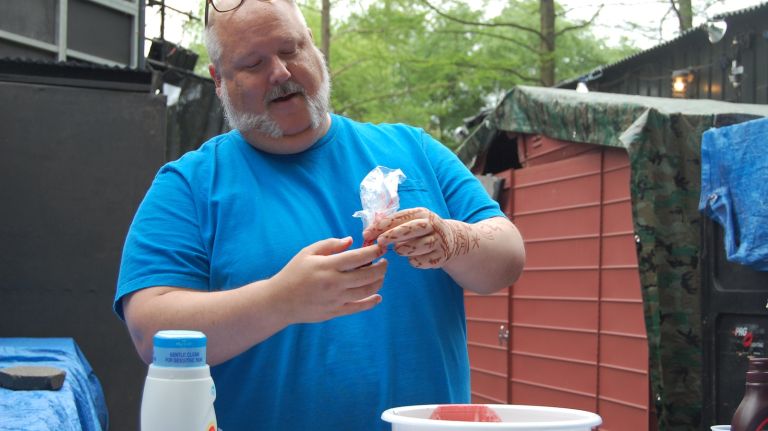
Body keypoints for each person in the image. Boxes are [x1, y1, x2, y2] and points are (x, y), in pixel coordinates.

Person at [114, 0, 525, 429]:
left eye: (291, 49)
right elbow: (150, 332)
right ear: (219, 80)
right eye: (253, 63)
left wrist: (453, 240)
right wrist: (280, 301)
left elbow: (507, 257)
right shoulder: (189, 185)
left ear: (314, 48)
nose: (280, 72)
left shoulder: (412, 149)